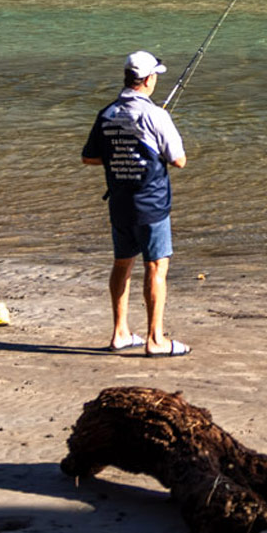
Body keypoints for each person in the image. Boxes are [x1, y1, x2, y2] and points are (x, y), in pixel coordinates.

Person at [81, 49, 189, 356]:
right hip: (151, 204)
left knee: (122, 264)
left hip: (119, 202)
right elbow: (179, 160)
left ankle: (120, 334)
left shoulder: (108, 113)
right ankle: (156, 340)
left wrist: (122, 154)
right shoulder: (156, 115)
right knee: (155, 267)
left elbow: (89, 157)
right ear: (149, 79)